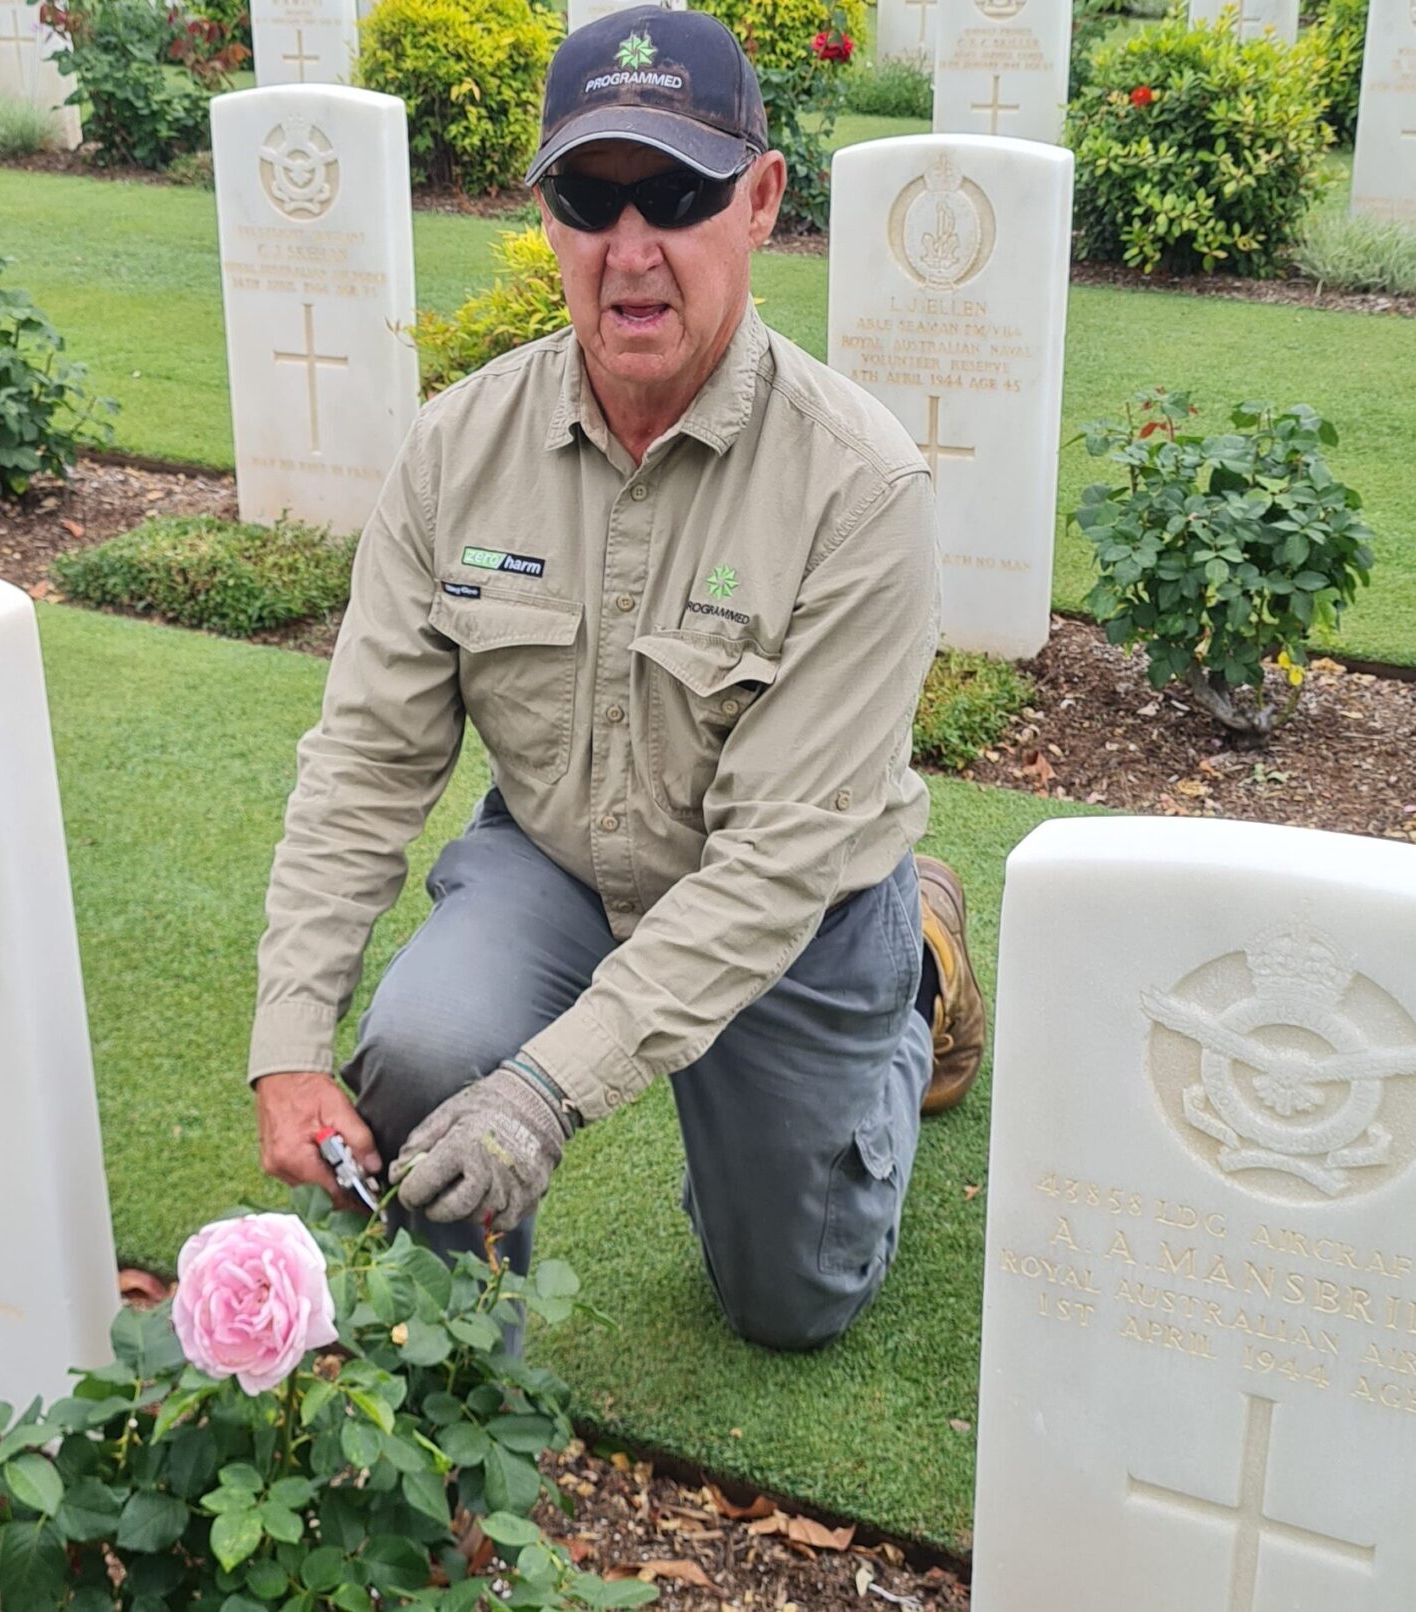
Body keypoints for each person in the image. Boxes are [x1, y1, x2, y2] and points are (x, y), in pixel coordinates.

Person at [243, 4, 987, 1350]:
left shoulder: (860, 489)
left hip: (795, 911)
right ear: (547, 216)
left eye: (679, 195)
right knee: (424, 1050)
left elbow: (770, 866)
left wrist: (548, 1089)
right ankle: (465, 1377)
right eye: (590, 198)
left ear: (761, 201)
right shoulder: (457, 451)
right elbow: (365, 762)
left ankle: (915, 978)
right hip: (562, 859)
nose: (630, 251)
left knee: (792, 1302)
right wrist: (292, 1039)